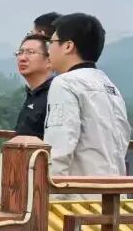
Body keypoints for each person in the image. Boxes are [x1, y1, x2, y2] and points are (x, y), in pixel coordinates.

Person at [44, 13, 130, 177]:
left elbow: (59, 147)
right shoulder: (110, 86)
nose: (48, 49)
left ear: (68, 46)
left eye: (51, 42)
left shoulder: (65, 83)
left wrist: (51, 188)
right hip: (114, 188)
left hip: (79, 190)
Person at [14, 34, 53, 139]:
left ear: (49, 60)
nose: (22, 58)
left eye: (30, 52)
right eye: (20, 53)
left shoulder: (54, 94)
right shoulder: (31, 94)